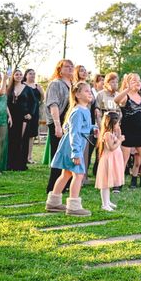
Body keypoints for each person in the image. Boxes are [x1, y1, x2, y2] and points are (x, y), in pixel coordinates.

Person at [45, 81, 97, 216]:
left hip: (73, 146)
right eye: (86, 91)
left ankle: (53, 202)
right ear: (77, 94)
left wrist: (93, 128)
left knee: (66, 174)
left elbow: (82, 128)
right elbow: (74, 132)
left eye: (90, 91)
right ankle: (73, 206)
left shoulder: (84, 110)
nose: (89, 93)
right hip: (73, 147)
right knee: (78, 175)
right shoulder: (78, 111)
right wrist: (76, 152)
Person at [45, 59, 73, 193]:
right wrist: (57, 125)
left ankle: (65, 184)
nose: (70, 68)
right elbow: (53, 104)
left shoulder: (73, 84)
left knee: (68, 154)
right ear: (59, 69)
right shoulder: (55, 84)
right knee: (58, 154)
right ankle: (52, 187)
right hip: (58, 121)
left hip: (70, 122)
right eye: (66, 67)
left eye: (71, 66)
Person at [6, 69, 37, 171]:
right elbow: (6, 103)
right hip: (12, 118)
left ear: (22, 76)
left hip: (24, 117)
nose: (18, 76)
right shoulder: (9, 89)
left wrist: (30, 114)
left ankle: (21, 164)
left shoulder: (27, 89)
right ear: (13, 76)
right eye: (16, 74)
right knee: (12, 140)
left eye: (20, 74)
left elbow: (34, 102)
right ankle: (11, 163)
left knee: (22, 140)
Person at [94, 111, 125, 211]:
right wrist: (120, 140)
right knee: (105, 183)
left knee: (109, 181)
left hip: (114, 160)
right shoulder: (107, 134)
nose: (119, 125)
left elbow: (116, 141)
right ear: (111, 123)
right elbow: (112, 147)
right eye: (117, 123)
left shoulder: (112, 133)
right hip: (108, 160)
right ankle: (104, 204)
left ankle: (108, 201)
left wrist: (119, 134)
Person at [23, 69, 44, 164]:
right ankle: (20, 155)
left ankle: (29, 157)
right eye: (30, 73)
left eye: (34, 74)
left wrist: (41, 91)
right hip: (24, 112)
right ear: (26, 75)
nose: (32, 75)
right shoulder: (22, 85)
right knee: (23, 134)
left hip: (34, 113)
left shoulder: (37, 86)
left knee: (31, 135)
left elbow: (41, 99)